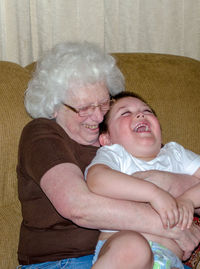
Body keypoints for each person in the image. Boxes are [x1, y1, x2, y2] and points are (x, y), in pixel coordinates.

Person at [17, 42, 200, 269]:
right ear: (54, 107)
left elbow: (174, 172)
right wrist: (170, 224)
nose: (97, 117)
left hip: (154, 258)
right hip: (64, 261)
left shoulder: (125, 137)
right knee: (133, 248)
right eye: (84, 108)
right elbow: (79, 207)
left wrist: (167, 183)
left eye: (103, 103)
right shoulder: (43, 134)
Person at [85, 92, 200, 269]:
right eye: (125, 113)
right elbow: (97, 179)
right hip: (124, 255)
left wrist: (188, 200)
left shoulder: (175, 154)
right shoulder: (115, 154)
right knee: (134, 247)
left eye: (147, 111)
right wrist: (153, 193)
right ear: (106, 139)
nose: (140, 114)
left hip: (170, 261)